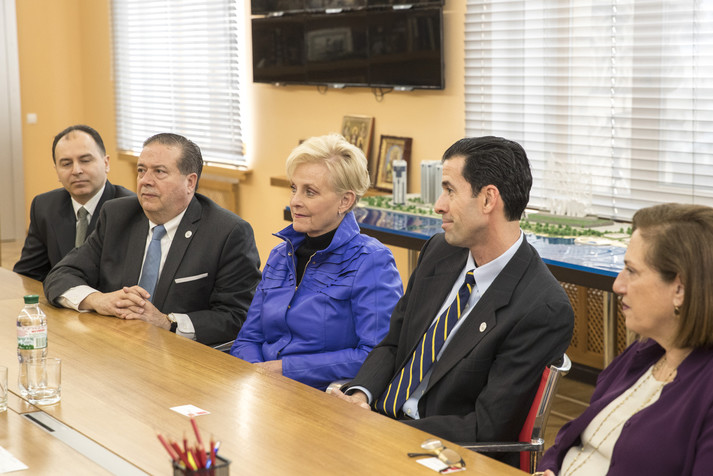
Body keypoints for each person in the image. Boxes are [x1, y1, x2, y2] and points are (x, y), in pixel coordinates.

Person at [331, 136, 574, 467]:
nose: (438, 205)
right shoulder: (440, 251)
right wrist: (360, 395)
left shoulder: (541, 308)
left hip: (440, 454)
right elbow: (394, 344)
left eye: (449, 190)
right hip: (375, 428)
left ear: (488, 199)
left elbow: (486, 427)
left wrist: (384, 430)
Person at [538, 203, 713, 476]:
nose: (617, 285)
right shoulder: (644, 353)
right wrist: (550, 468)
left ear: (679, 289)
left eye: (631, 271)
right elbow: (572, 438)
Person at [43, 133, 261, 346]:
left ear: (190, 182)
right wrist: (99, 300)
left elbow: (237, 316)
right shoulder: (118, 216)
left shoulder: (227, 232)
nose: (145, 181)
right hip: (116, 344)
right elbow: (60, 275)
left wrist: (166, 322)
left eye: (159, 172)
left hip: (181, 355)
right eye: (141, 170)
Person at [230, 134, 403, 390]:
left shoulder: (371, 260)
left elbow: (376, 354)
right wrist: (258, 374)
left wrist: (284, 369)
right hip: (260, 387)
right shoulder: (280, 255)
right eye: (294, 188)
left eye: (309, 192)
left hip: (322, 396)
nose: (295, 201)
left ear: (345, 201)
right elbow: (248, 338)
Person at [14, 124, 134, 281]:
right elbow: (29, 273)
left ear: (106, 163)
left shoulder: (129, 209)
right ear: (57, 171)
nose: (76, 170)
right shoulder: (44, 206)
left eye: (85, 160)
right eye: (66, 164)